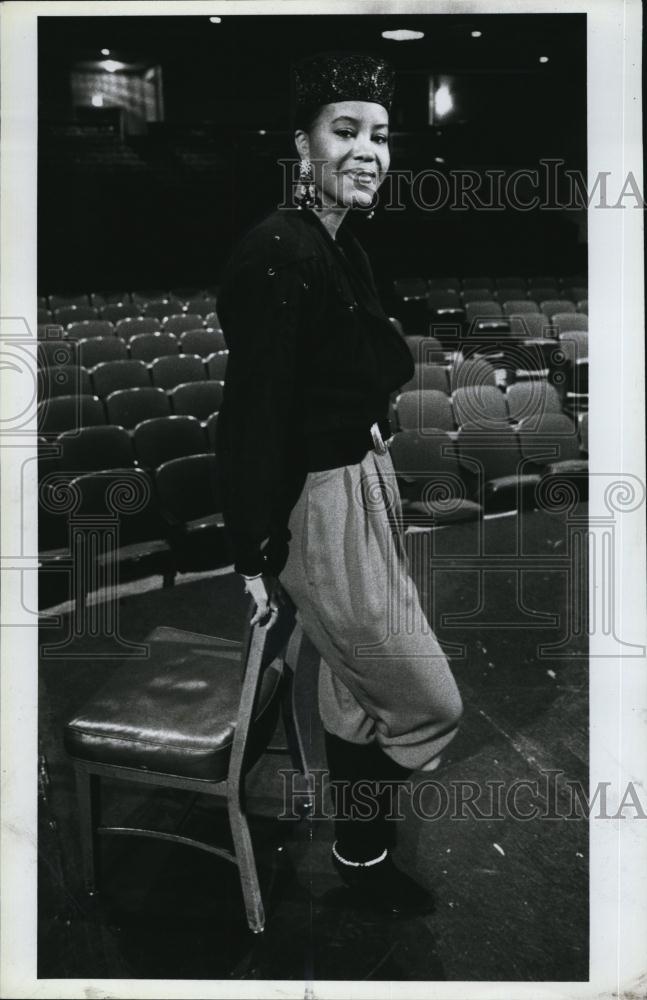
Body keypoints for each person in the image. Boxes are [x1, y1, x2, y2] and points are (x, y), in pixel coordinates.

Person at [215, 51, 463, 914]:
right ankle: (357, 841)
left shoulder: (335, 239)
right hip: (317, 504)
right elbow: (252, 414)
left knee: (357, 696)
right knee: (427, 703)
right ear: (302, 144)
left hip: (361, 479)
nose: (368, 151)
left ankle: (360, 855)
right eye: (345, 131)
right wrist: (251, 555)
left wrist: (366, 430)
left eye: (380, 136)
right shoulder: (278, 252)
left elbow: (341, 368)